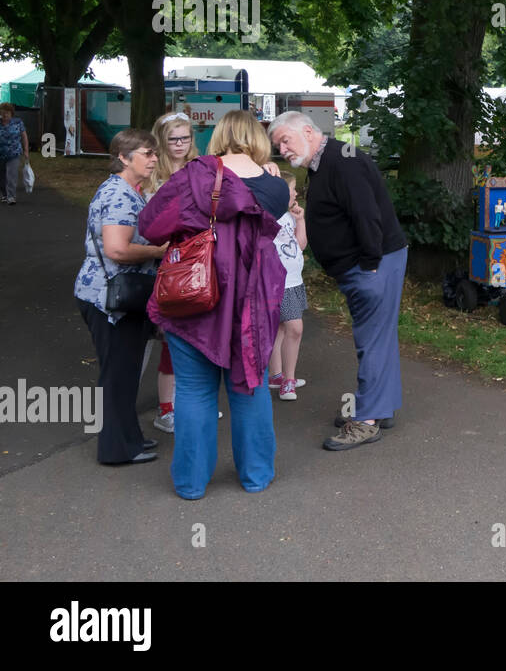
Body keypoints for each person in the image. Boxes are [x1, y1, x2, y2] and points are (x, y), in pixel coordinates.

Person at [139, 110, 288, 499]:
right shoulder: (274, 186)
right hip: (252, 303)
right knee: (250, 386)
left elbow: (150, 227)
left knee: (193, 390)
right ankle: (255, 475)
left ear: (217, 136)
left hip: (194, 296)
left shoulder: (192, 176)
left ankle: (190, 484)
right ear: (257, 139)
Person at [268, 111, 407, 451]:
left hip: (371, 264)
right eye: (278, 146)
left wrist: (371, 263)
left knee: (371, 340)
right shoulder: (325, 161)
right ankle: (379, 406)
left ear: (307, 131)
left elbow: (366, 213)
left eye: (286, 141)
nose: (283, 150)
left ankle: (366, 421)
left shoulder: (341, 160)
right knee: (379, 338)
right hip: (368, 263)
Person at [74, 128, 168, 465]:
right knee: (117, 375)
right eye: (147, 153)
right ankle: (116, 450)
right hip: (109, 298)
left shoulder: (128, 190)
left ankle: (131, 439)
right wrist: (160, 250)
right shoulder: (119, 195)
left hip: (116, 295)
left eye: (154, 152)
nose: (154, 158)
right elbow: (117, 249)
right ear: (124, 158)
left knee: (125, 372)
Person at [144, 112, 199, 434]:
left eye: (185, 138)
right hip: (163, 265)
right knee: (170, 338)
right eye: (173, 139)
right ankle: (167, 410)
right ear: (162, 141)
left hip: (196, 264)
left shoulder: (201, 168)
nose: (180, 144)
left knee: (194, 337)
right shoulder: (152, 175)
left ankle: (191, 403)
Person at [268, 173, 308, 401]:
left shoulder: (291, 216)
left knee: (282, 329)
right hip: (277, 282)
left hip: (294, 280)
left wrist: (301, 221)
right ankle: (288, 382)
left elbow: (300, 245)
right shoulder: (268, 216)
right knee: (295, 328)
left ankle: (277, 375)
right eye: (292, 189)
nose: (296, 193)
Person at [0, 102, 30, 205]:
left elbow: (24, 136)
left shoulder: (18, 122)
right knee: (2, 176)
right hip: (1, 154)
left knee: (11, 175)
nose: (5, 115)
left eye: (7, 113)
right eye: (3, 113)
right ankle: (4, 194)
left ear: (11, 113)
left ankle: (11, 196)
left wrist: (26, 150)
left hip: (14, 153)